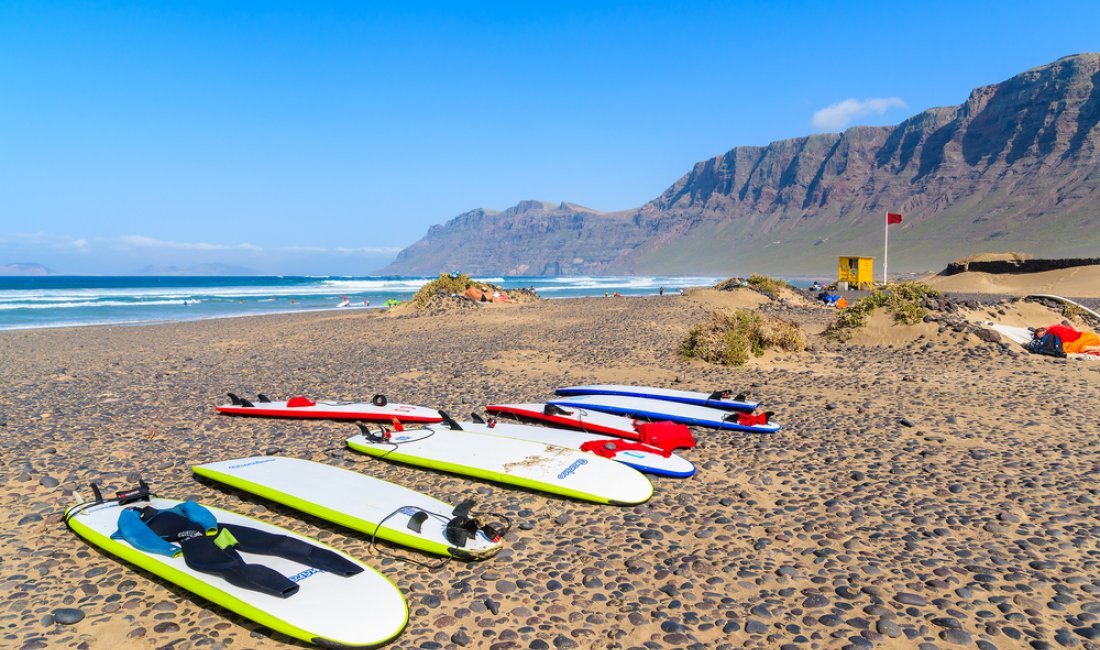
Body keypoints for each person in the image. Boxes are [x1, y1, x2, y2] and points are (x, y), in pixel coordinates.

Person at [1033, 324, 1100, 354]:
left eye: (1043, 334)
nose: (1043, 337)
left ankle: (1097, 348)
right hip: (1087, 337)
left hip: (1085, 337)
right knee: (1070, 347)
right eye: (1041, 337)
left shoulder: (1052, 330)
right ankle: (1096, 348)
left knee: (1072, 348)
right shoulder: (1053, 332)